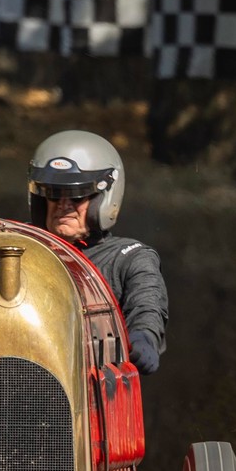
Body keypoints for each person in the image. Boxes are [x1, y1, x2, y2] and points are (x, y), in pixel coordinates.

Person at [28, 130, 168, 374]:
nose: (63, 205)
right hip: (15, 388)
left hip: (90, 398)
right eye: (54, 193)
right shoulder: (16, 247)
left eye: (76, 195)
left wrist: (144, 336)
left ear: (104, 197)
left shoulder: (129, 257)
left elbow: (146, 305)